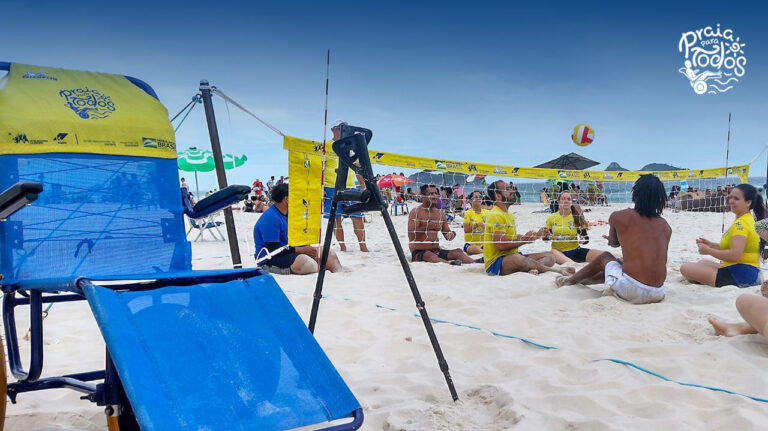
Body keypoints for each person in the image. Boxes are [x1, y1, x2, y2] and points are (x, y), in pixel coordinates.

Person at [556, 175, 670, 304]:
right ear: (660, 199)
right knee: (620, 262)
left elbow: (614, 243)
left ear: (636, 194)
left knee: (605, 257)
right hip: (659, 292)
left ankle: (569, 281)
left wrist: (610, 239)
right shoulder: (666, 226)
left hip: (631, 290)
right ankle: (584, 279)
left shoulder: (619, 216)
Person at [680, 184, 765, 287]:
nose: (731, 201)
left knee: (685, 268)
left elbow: (735, 255)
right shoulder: (746, 219)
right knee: (702, 262)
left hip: (741, 274)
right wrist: (711, 245)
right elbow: (733, 246)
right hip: (746, 270)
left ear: (748, 202)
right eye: (730, 197)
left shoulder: (741, 224)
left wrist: (709, 251)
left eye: (736, 199)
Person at [483, 180, 569, 276]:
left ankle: (532, 268)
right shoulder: (495, 214)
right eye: (508, 189)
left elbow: (513, 238)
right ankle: (552, 270)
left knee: (550, 257)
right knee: (517, 258)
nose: (513, 190)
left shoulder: (509, 214)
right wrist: (525, 239)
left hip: (513, 256)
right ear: (498, 196)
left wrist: (537, 235)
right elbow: (500, 245)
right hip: (496, 263)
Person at [253, 183, 342, 275]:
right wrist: (300, 250)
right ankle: (318, 274)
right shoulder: (271, 218)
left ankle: (339, 276)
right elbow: (273, 249)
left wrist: (306, 248)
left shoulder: (287, 214)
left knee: (328, 253)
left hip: (289, 251)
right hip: (269, 259)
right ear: (286, 199)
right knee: (306, 263)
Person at [323, 121, 369, 252]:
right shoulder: (325, 147)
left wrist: (362, 185)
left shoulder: (349, 147)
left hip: (350, 186)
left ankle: (363, 246)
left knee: (357, 217)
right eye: (341, 128)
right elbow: (319, 169)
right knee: (336, 219)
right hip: (331, 187)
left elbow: (357, 168)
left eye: (345, 128)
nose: (344, 131)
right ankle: (343, 247)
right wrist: (321, 189)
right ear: (333, 129)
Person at [408, 184, 476, 265]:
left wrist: (451, 234)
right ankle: (449, 264)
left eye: (436, 193)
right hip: (419, 251)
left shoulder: (440, 213)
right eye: (431, 194)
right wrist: (429, 226)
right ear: (423, 196)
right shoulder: (416, 211)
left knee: (458, 252)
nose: (435, 196)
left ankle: (475, 262)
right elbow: (411, 235)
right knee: (429, 255)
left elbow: (447, 235)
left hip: (436, 250)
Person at [543, 191, 606, 264]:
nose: (566, 201)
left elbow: (586, 238)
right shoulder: (552, 217)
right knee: (553, 252)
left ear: (571, 202)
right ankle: (574, 265)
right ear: (559, 201)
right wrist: (549, 237)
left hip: (576, 252)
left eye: (568, 199)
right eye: (563, 199)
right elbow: (544, 238)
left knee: (606, 255)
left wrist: (583, 240)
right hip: (558, 254)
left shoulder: (576, 217)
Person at [462, 191, 488, 256]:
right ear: (471, 200)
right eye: (476, 197)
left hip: (484, 243)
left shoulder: (487, 212)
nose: (479, 198)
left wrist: (486, 226)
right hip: (471, 243)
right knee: (472, 249)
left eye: (480, 197)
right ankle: (484, 252)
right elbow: (466, 230)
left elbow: (492, 228)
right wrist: (477, 224)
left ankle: (483, 251)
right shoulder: (467, 213)